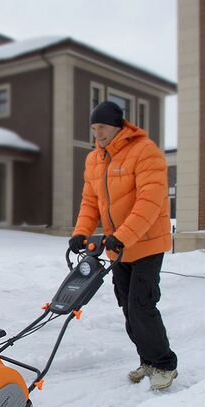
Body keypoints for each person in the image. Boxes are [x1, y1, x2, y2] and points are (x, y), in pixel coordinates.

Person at [69, 100, 177, 391]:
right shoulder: (95, 159)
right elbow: (91, 202)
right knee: (128, 309)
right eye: (93, 128)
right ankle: (148, 360)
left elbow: (150, 201)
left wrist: (124, 235)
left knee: (141, 306)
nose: (97, 134)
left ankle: (165, 365)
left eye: (101, 127)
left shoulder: (145, 152)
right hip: (118, 248)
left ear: (117, 126)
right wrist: (81, 232)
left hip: (146, 243)